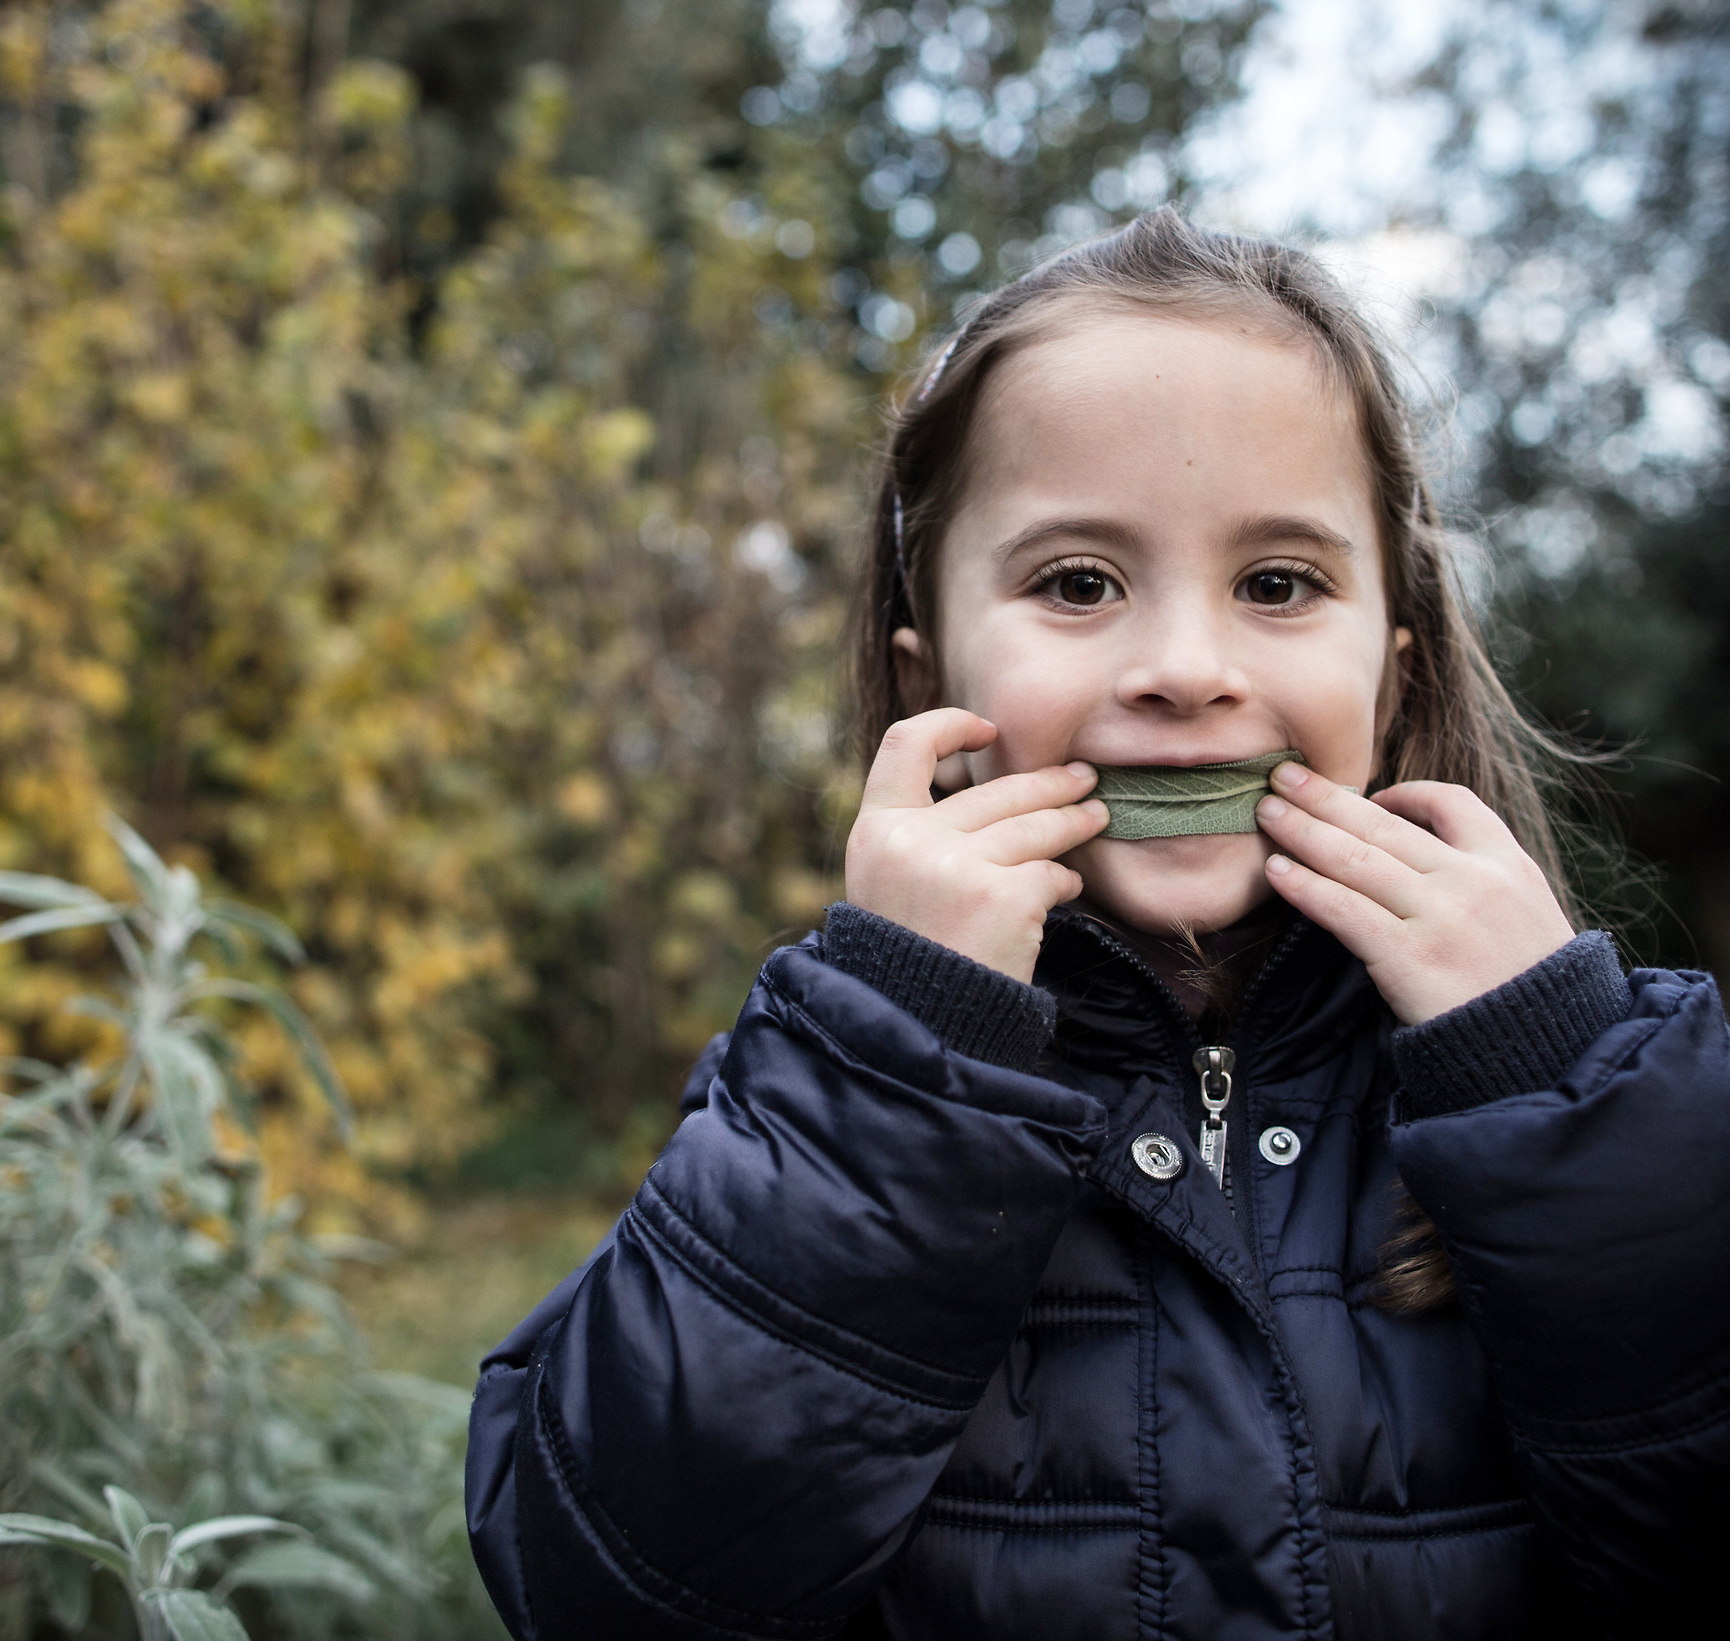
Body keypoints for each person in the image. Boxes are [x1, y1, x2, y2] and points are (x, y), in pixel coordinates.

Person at [462, 208, 1730, 1641]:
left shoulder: (1611, 1093)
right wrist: (896, 1063)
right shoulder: (824, 1097)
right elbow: (605, 1593)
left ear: (1389, 682)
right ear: (929, 679)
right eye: (1078, 583)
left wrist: (1557, 1090)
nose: (1186, 669)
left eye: (1277, 583)